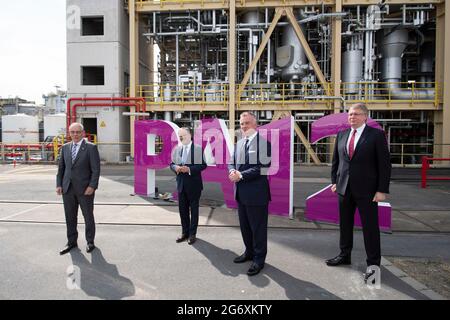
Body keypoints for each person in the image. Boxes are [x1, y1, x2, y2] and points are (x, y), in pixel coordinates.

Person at [326, 103, 391, 283]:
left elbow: (384, 165)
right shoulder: (342, 135)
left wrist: (381, 190)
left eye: (355, 114)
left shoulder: (376, 135)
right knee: (344, 226)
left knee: (370, 230)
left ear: (365, 117)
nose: (351, 117)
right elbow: (336, 162)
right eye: (350, 114)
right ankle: (344, 255)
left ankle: (373, 269)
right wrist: (334, 182)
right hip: (344, 189)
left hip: (368, 192)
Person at [229, 112, 271, 276]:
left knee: (258, 229)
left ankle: (259, 259)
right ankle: (249, 252)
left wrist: (241, 175)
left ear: (256, 125)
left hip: (257, 195)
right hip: (240, 193)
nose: (244, 126)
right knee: (245, 227)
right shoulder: (239, 143)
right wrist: (232, 170)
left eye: (247, 123)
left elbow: (263, 168)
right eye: (241, 123)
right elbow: (232, 161)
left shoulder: (264, 144)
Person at [56, 123, 101, 255]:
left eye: (78, 132)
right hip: (67, 189)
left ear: (83, 133)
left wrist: (92, 186)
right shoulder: (65, 148)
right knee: (70, 217)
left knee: (88, 216)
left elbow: (96, 170)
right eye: (72, 132)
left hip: (85, 189)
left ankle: (90, 241)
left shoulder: (91, 148)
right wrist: (59, 184)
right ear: (69, 133)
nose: (75, 134)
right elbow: (61, 169)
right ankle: (71, 242)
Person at [170, 127, 207, 245]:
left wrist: (189, 169)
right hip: (181, 185)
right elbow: (171, 164)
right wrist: (176, 168)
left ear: (190, 135)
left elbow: (203, 165)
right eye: (179, 135)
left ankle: (192, 234)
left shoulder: (197, 149)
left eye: (183, 135)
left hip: (194, 185)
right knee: (182, 210)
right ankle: (184, 233)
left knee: (194, 211)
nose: (181, 137)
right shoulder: (177, 149)